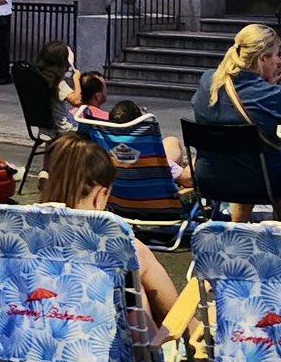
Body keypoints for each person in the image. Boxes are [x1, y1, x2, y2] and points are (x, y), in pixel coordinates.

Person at [39, 132, 181, 332]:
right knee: (140, 288)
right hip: (103, 349)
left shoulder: (15, 236)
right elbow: (168, 318)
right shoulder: (121, 246)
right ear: (101, 195)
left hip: (29, 346)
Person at [190, 22, 281, 223]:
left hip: (209, 178)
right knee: (279, 168)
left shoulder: (208, 81)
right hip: (260, 183)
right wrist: (272, 91)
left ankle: (237, 227)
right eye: (276, 55)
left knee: (244, 161)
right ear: (262, 58)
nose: (279, 61)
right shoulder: (272, 95)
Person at [106, 99, 191, 185]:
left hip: (120, 190)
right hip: (153, 188)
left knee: (172, 141)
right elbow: (188, 180)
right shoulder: (151, 159)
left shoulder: (106, 159)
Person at [34, 39, 79, 133]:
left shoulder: (37, 78)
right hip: (64, 128)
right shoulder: (57, 83)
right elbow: (76, 101)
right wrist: (77, 79)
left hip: (44, 128)